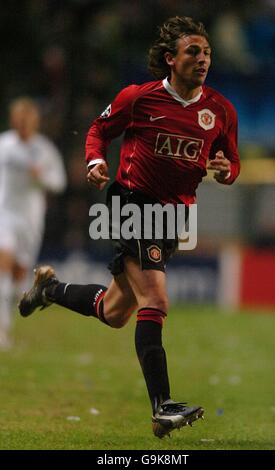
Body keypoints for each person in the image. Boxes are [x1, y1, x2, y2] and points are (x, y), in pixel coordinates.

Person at [19, 16, 240, 438]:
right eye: (193, 51)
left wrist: (225, 169)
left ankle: (49, 289)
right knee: (155, 298)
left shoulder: (220, 111)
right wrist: (97, 161)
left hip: (173, 216)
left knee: (116, 311)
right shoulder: (139, 99)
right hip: (132, 202)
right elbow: (100, 130)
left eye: (207, 52)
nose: (203, 59)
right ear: (170, 58)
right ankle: (162, 406)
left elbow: (232, 165)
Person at [0, 97, 67, 350]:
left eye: (27, 121)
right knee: (2, 267)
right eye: (19, 120)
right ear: (13, 120)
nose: (22, 125)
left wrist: (42, 179)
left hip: (30, 221)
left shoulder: (45, 150)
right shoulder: (4, 144)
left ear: (34, 122)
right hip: (4, 214)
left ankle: (6, 323)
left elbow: (59, 183)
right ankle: (1, 330)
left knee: (18, 276)